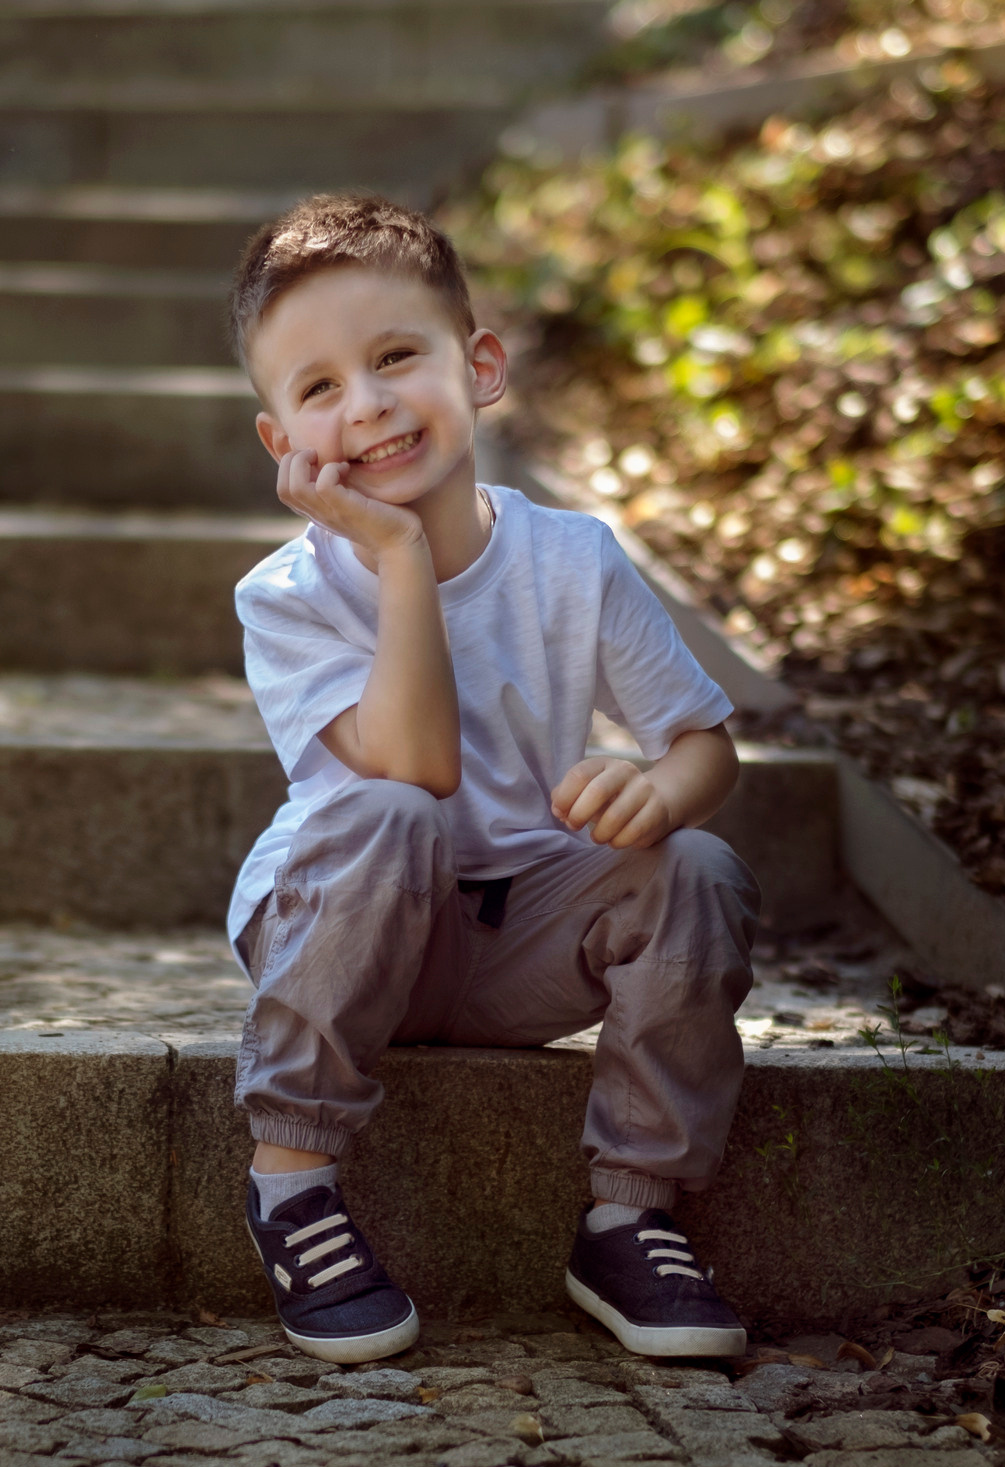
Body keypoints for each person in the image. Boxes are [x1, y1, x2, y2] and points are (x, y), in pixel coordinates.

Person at [226, 194, 763, 1365]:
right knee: (385, 812)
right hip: (342, 925)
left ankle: (629, 1217)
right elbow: (414, 769)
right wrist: (397, 553)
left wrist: (660, 795)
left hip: (517, 938)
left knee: (698, 872)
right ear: (281, 443)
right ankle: (293, 1185)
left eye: (394, 358)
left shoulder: (572, 559)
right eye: (317, 389)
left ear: (477, 367)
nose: (363, 405)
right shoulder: (287, 594)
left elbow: (704, 742)